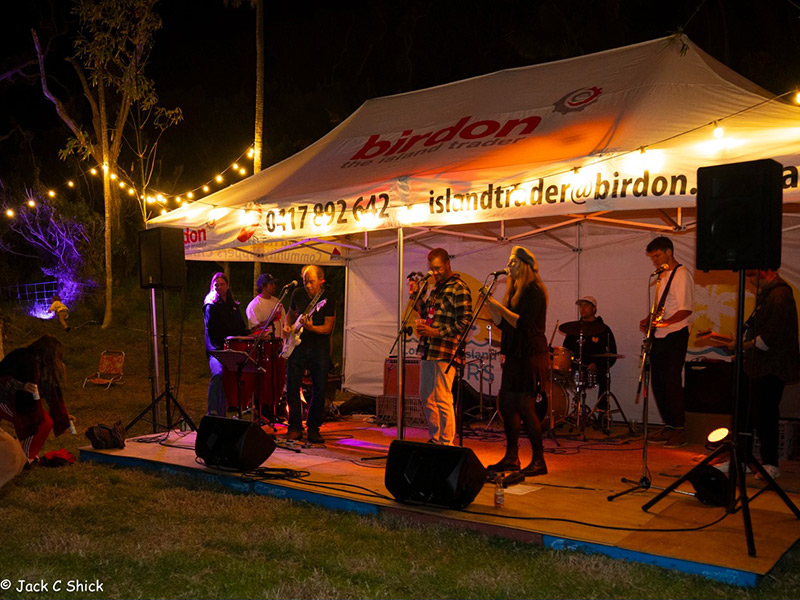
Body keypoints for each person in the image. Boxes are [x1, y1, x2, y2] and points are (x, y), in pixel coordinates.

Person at [722, 269, 800, 479]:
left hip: (771, 366)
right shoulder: (769, 295)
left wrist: (740, 345)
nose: (748, 281)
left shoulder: (779, 296)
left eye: (751, 275)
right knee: (744, 412)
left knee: (766, 414)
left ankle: (770, 463)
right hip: (757, 365)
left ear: (765, 273)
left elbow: (767, 340)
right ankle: (741, 458)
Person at [483, 246, 548, 476]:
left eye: (513, 262)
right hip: (514, 355)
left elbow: (522, 323)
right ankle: (512, 457)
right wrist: (491, 304)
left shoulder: (535, 291)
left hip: (530, 355)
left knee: (525, 406)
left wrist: (499, 307)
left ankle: (539, 459)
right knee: (507, 406)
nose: (509, 266)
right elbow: (503, 323)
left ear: (524, 265)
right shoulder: (513, 292)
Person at [410, 248, 473, 446]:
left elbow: (465, 322)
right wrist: (415, 297)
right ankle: (436, 437)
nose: (435, 272)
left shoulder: (458, 288)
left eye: (438, 268)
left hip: (446, 349)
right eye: (432, 269)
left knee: (442, 396)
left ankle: (446, 442)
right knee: (426, 395)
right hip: (429, 348)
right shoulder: (436, 288)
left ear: (447, 263)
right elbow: (427, 313)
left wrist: (436, 332)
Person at [638, 236, 694, 448]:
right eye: (652, 257)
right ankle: (669, 425)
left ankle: (680, 428)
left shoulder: (681, 274)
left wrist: (665, 323)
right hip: (661, 335)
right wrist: (649, 319)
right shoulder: (663, 276)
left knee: (671, 381)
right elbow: (664, 306)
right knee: (658, 381)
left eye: (657, 256)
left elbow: (685, 308)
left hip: (675, 334)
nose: (654, 260)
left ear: (669, 252)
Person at [283, 265, 336, 444]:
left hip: (318, 347)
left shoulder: (328, 297)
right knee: (292, 386)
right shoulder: (297, 293)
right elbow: (290, 315)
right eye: (305, 281)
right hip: (298, 346)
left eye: (311, 282)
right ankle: (295, 427)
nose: (307, 285)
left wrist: (312, 327)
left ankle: (313, 428)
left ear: (321, 280)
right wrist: (287, 327)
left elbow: (328, 327)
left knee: (319, 389)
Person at [0, 335, 72, 463]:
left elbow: (51, 391)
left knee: (45, 422)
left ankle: (27, 455)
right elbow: (4, 379)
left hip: (21, 402)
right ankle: (24, 457)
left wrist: (62, 416)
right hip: (4, 399)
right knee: (34, 422)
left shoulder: (41, 366)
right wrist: (21, 386)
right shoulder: (22, 358)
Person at [562, 296, 617, 410]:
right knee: (558, 375)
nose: (582, 308)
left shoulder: (604, 329)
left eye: (586, 305)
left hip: (595, 368)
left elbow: (612, 354)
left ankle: (602, 411)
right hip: (576, 366)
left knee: (605, 375)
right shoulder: (573, 329)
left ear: (594, 309)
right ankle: (560, 411)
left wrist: (597, 364)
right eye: (581, 306)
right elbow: (565, 349)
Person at [203, 272, 246, 416]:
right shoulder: (211, 306)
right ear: (213, 287)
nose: (219, 287)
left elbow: (241, 328)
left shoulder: (233, 306)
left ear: (227, 286)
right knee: (218, 374)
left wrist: (253, 331)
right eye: (216, 285)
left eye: (222, 284)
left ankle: (226, 411)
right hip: (217, 350)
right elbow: (214, 331)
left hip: (231, 350)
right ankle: (213, 411)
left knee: (233, 377)